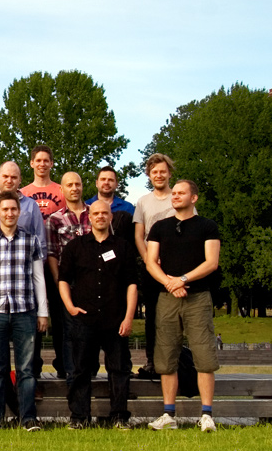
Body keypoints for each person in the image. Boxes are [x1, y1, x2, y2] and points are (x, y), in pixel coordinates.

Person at [145, 180, 220, 433]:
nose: (175, 196)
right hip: (167, 298)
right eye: (174, 193)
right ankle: (168, 415)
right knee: (166, 357)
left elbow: (211, 262)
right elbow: (151, 262)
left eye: (181, 193)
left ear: (194, 198)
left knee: (204, 356)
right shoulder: (159, 227)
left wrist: (183, 279)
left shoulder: (207, 226)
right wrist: (170, 283)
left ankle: (206, 415)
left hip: (197, 298)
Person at [58, 200, 137, 429]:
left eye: (105, 213)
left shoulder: (123, 247)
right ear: (89, 217)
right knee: (81, 370)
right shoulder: (75, 247)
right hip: (84, 319)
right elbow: (63, 280)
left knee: (119, 369)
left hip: (115, 319)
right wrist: (70, 307)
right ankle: (80, 417)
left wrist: (129, 317)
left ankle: (119, 417)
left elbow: (132, 284)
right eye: (96, 213)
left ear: (111, 217)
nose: (100, 216)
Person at [0, 190, 49, 432]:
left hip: (24, 311)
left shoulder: (31, 240)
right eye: (5, 209)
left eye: (13, 209)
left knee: (26, 369)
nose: (9, 213)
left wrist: (43, 312)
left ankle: (28, 418)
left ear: (19, 212)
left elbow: (38, 278)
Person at [133, 153, 186, 378]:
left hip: (176, 269)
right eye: (154, 172)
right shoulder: (143, 202)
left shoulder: (180, 197)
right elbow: (139, 235)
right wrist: (149, 261)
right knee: (153, 317)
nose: (159, 175)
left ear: (169, 173)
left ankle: (176, 362)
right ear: (149, 175)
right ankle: (151, 362)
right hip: (152, 268)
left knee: (176, 316)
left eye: (163, 171)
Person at [44, 171, 91, 385]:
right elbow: (52, 254)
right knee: (67, 330)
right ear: (61, 190)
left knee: (91, 328)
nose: (74, 188)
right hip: (67, 282)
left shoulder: (95, 213)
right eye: (69, 185)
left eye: (77, 184)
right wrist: (58, 280)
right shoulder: (54, 219)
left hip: (93, 282)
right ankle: (71, 375)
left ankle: (89, 371)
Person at [20, 145, 65, 219]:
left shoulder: (63, 191)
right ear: (32, 163)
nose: (42, 164)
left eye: (46, 161)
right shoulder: (22, 194)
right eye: (38, 160)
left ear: (51, 163)